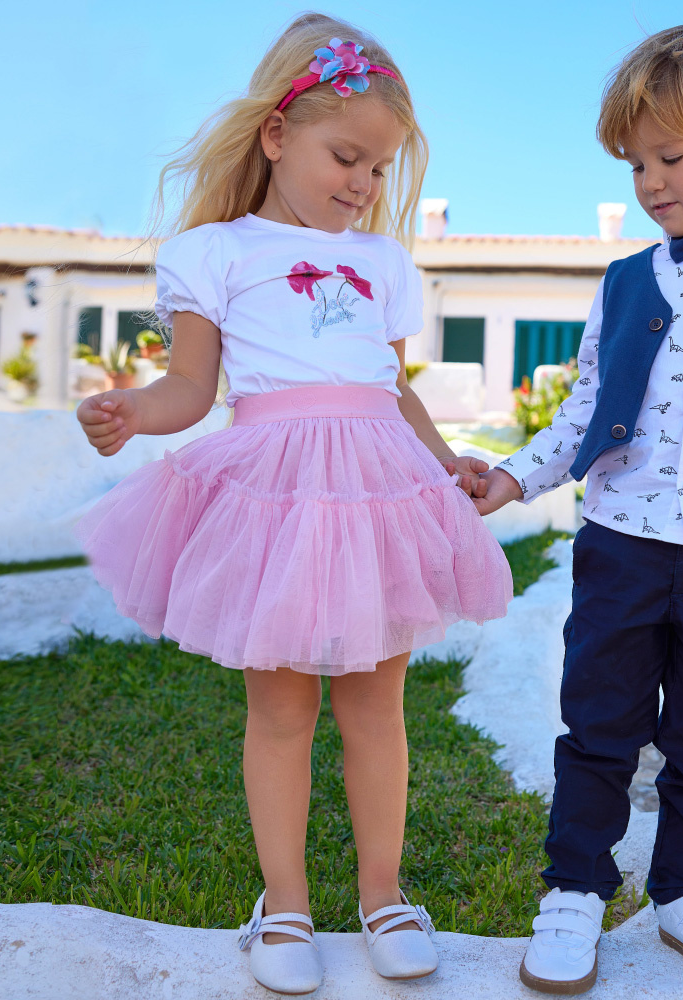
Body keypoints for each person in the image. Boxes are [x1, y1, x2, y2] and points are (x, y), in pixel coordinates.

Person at [75, 13, 512, 995]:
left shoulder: (386, 264)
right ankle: (283, 905)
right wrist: (134, 413)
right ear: (276, 134)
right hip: (274, 494)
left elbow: (392, 388)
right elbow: (190, 388)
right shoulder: (213, 253)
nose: (362, 184)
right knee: (279, 709)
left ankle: (383, 895)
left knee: (376, 706)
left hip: (374, 491)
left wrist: (445, 463)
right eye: (345, 157)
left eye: (378, 169)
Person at [476, 23, 683, 995]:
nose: (649, 182)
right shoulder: (627, 281)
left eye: (669, 157)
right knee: (598, 722)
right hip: (623, 542)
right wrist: (512, 476)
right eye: (635, 165)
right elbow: (584, 411)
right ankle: (574, 888)